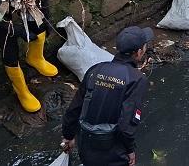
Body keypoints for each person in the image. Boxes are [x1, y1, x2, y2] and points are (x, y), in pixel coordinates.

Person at [61, 26, 152, 166]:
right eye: (145, 46)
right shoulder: (136, 79)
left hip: (86, 147)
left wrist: (68, 136)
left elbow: (74, 108)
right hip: (112, 151)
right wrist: (130, 150)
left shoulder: (95, 69)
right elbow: (126, 126)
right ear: (139, 52)